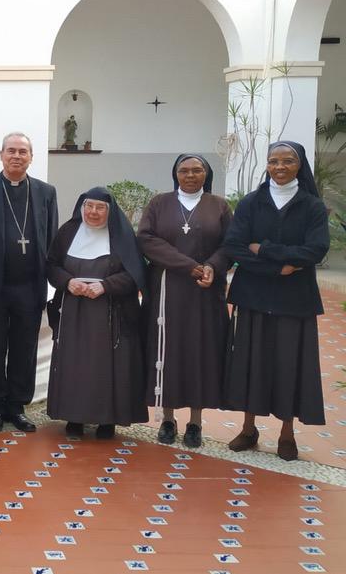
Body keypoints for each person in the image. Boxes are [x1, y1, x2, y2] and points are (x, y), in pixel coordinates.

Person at [223, 141, 328, 462]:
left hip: (295, 301)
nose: (279, 167)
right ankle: (248, 428)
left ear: (300, 165)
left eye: (287, 161)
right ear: (266, 166)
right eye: (273, 161)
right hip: (253, 296)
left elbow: (315, 250)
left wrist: (264, 249)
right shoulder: (251, 202)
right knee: (250, 362)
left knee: (289, 364)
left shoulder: (312, 206)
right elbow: (235, 246)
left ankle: (287, 433)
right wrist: (279, 267)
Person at [137, 154, 231, 448]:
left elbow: (231, 244)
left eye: (197, 170)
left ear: (206, 174)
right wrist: (189, 266)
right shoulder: (159, 203)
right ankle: (167, 419)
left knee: (199, 351)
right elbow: (147, 239)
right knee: (167, 350)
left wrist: (212, 267)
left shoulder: (219, 206)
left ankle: (195, 422)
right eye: (184, 170)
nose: (190, 175)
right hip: (167, 289)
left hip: (205, 290)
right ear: (175, 174)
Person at [0, 132, 58, 433]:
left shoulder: (46, 192)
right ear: (1, 155)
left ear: (31, 157)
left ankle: (17, 406)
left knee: (24, 349)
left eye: (22, 151)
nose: (16, 156)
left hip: (29, 286)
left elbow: (51, 239)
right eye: (11, 151)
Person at [46, 187, 147, 439]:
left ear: (109, 212)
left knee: (106, 365)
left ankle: (107, 420)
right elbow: (51, 265)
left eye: (100, 207)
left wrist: (105, 286)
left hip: (110, 312)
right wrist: (68, 282)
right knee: (74, 363)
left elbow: (134, 273)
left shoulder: (122, 236)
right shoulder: (68, 232)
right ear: (81, 208)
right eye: (89, 206)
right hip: (73, 310)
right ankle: (74, 417)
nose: (93, 212)